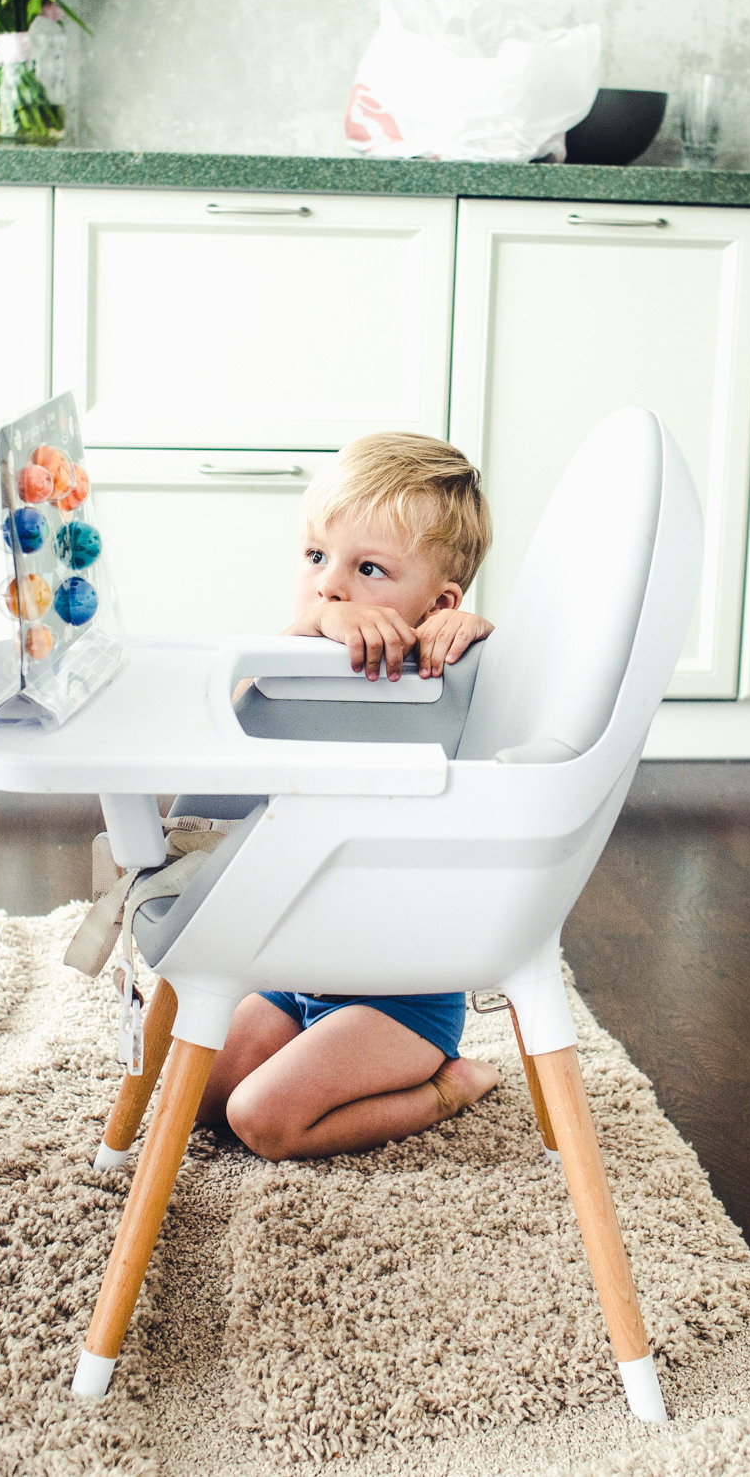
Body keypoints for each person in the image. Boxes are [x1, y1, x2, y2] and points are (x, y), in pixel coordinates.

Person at [196, 433, 504, 1160]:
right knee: (195, 1098)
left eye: (368, 568)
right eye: (315, 557)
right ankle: (315, 1048)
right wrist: (307, 631)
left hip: (397, 997)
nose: (330, 586)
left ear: (437, 602)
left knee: (262, 1119)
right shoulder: (288, 664)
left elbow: (501, 699)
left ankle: (448, 1087)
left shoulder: (440, 671)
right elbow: (224, 729)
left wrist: (469, 635)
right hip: (294, 974)